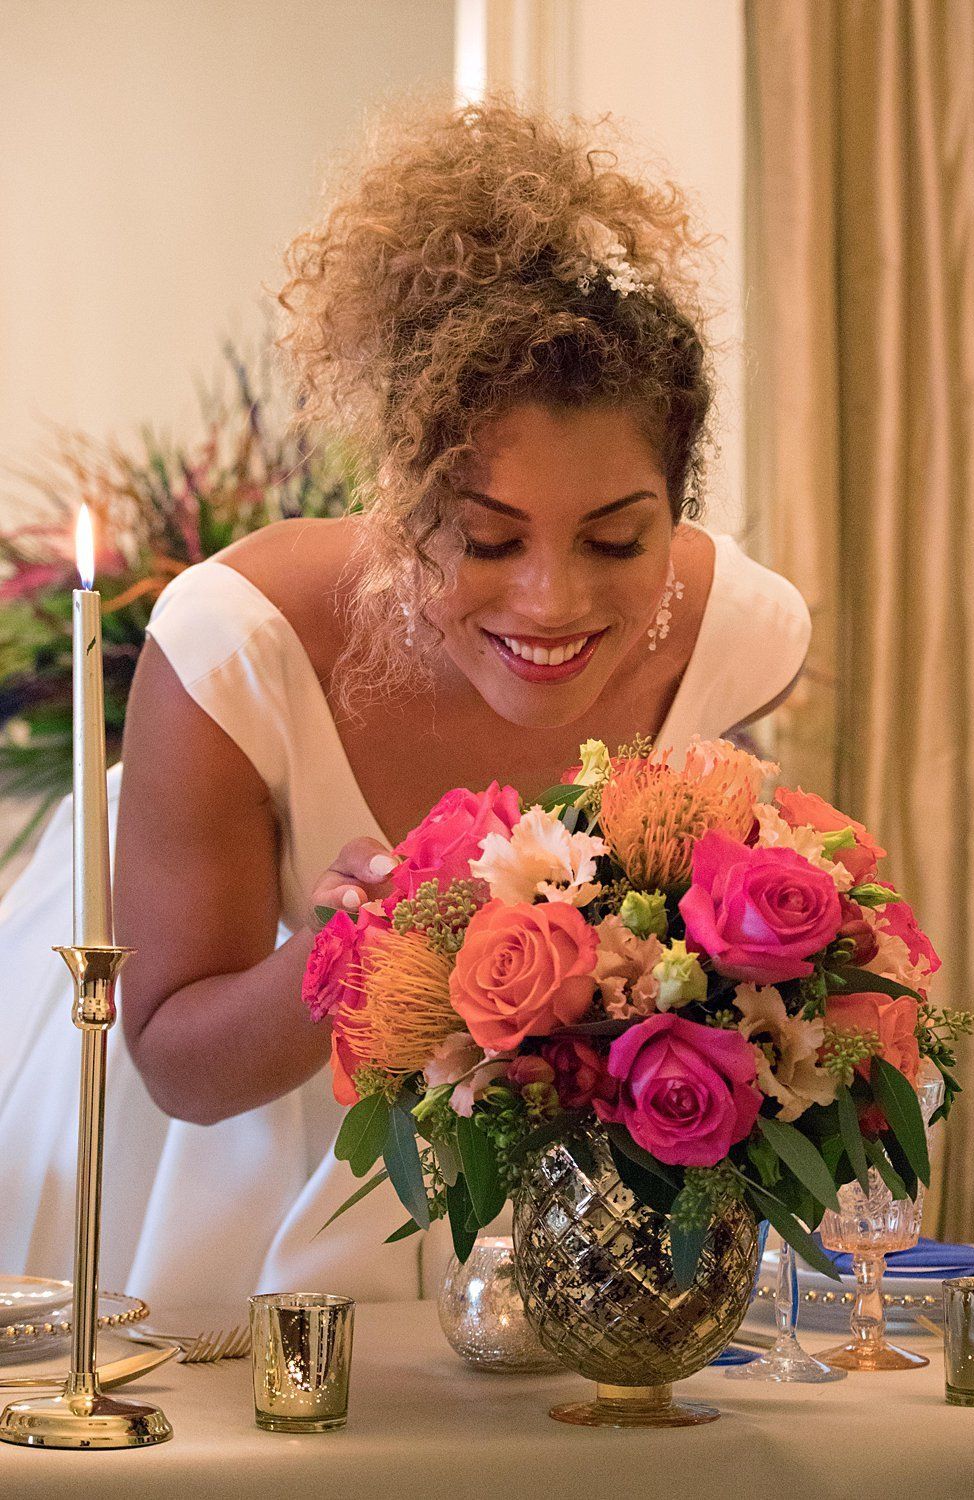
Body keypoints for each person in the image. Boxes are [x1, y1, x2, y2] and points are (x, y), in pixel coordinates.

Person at [0, 96, 810, 1317]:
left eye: (615, 537)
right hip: (244, 1096)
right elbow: (175, 1061)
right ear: (401, 509)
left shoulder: (734, 637)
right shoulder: (237, 643)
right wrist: (365, 960)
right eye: (488, 540)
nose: (552, 601)